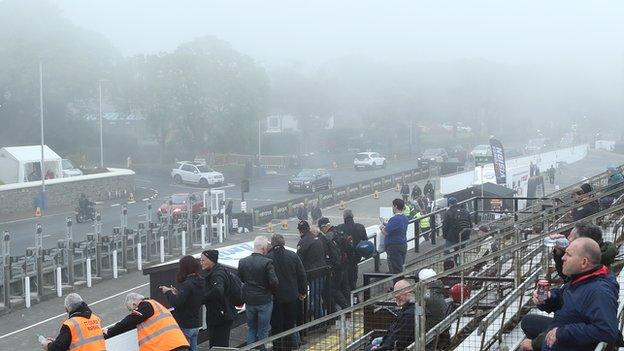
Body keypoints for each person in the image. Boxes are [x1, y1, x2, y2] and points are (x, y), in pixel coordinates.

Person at [519, 238, 619, 351]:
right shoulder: (582, 278)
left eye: (568, 254)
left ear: (584, 262)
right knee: (528, 322)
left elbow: (607, 331)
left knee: (527, 344)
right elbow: (565, 297)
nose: (563, 258)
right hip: (564, 329)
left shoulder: (599, 291)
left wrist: (560, 333)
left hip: (568, 342)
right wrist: (549, 298)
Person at [104, 292, 190, 351]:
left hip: (167, 347)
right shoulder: (155, 305)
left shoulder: (146, 305)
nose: (132, 312)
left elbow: (130, 320)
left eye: (131, 309)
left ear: (134, 304)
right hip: (175, 344)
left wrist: (109, 331)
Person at [266, 234, 307, 351]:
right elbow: (301, 275)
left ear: (272, 244)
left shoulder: (268, 258)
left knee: (276, 325)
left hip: (275, 297)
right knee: (290, 323)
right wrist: (302, 291)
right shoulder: (293, 255)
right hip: (292, 296)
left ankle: (278, 348)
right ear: (283, 243)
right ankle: (289, 347)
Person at [238, 236, 279, 350]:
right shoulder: (267, 262)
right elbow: (274, 282)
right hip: (264, 300)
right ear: (264, 247)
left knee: (251, 328)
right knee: (263, 329)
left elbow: (240, 279)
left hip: (250, 301)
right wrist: (270, 291)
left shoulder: (243, 261)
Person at [159, 255, 204, 351]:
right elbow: (191, 298)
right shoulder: (200, 281)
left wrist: (168, 292)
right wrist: (177, 293)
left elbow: (177, 303)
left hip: (185, 324)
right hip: (195, 323)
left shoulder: (187, 284)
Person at [41, 293, 106, 351]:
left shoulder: (70, 324)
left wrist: (47, 345)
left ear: (66, 309)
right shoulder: (95, 318)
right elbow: (89, 339)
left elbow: (57, 348)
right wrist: (57, 341)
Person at [200, 250, 235, 348]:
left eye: (203, 260)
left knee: (219, 345)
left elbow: (218, 291)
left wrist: (202, 299)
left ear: (211, 260)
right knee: (220, 344)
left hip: (220, 316)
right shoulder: (219, 270)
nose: (201, 262)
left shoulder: (217, 274)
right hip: (223, 314)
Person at [368, 280, 415, 350]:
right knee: (374, 341)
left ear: (407, 293)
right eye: (395, 293)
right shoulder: (411, 308)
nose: (395, 297)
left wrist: (380, 348)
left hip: (393, 346)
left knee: (369, 346)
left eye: (398, 293)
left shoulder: (408, 315)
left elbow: (397, 340)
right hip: (390, 342)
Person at [318, 217, 350, 310]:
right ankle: (349, 305)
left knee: (333, 289)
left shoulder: (328, 237)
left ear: (324, 227)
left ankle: (345, 307)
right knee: (345, 286)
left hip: (337, 267)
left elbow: (330, 254)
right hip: (345, 264)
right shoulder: (340, 232)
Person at [297, 220, 327, 319]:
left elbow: (299, 260)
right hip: (322, 271)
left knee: (315, 298)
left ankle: (319, 320)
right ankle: (319, 317)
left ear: (300, 231)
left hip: (312, 274)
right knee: (317, 296)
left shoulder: (303, 242)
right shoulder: (317, 239)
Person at [335, 209, 369, 291]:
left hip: (344, 257)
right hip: (356, 256)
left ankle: (348, 294)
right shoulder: (360, 227)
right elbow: (365, 241)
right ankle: (354, 293)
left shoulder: (339, 228)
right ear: (352, 216)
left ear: (344, 217)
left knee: (345, 277)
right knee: (353, 275)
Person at [418, 269, 450, 350]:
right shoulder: (438, 292)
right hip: (439, 333)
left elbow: (417, 315)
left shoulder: (427, 297)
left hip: (430, 337)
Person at [379, 199, 408, 278]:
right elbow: (397, 227)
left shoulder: (395, 219)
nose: (392, 208)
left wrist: (381, 228)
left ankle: (398, 287)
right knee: (400, 266)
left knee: (396, 270)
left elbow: (385, 232)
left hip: (394, 247)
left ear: (395, 206)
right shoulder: (405, 218)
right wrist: (386, 224)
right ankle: (400, 285)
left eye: (393, 206)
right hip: (403, 244)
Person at [442, 197, 472, 263]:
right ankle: (460, 265)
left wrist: (445, 236)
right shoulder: (466, 211)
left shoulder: (448, 212)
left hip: (452, 238)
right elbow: (470, 225)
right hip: (464, 237)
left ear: (449, 204)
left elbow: (444, 226)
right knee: (460, 252)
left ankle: (450, 267)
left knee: (447, 252)